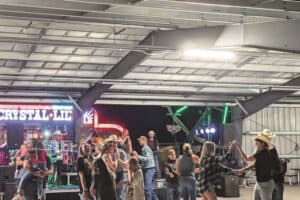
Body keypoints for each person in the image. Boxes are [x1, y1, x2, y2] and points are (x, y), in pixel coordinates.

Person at [233, 133, 275, 200]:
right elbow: (253, 165)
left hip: (266, 184)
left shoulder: (263, 153)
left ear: (263, 143)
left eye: (257, 142)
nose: (256, 144)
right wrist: (241, 170)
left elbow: (247, 159)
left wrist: (238, 147)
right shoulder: (261, 153)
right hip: (259, 183)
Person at [132, 136, 158, 200]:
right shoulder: (144, 148)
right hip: (148, 169)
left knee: (147, 188)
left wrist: (138, 156)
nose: (139, 142)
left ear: (144, 140)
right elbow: (147, 159)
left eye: (140, 140)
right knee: (149, 188)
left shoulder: (146, 148)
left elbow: (148, 159)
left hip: (149, 169)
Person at [108, 135, 128, 200]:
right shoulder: (107, 153)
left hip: (120, 175)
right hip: (109, 176)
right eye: (112, 142)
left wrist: (118, 159)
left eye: (115, 142)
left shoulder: (122, 152)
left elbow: (126, 166)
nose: (114, 144)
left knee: (120, 196)